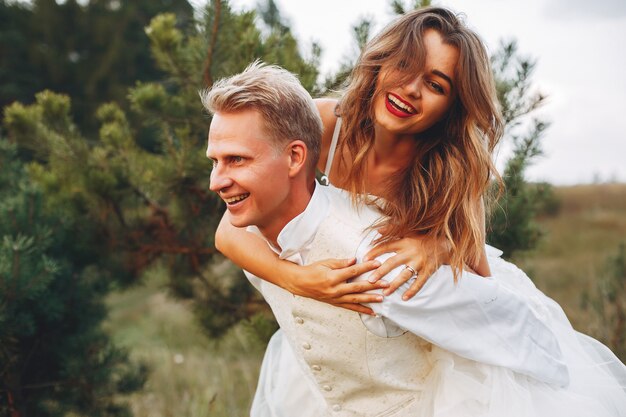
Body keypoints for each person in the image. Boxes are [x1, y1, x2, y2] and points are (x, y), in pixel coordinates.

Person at [209, 6, 626, 416]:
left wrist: (438, 246)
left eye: (436, 84)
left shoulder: (451, 168)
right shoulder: (327, 124)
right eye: (405, 66)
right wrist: (300, 280)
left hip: (434, 338)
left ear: (452, 106)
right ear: (380, 63)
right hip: (348, 333)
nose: (411, 89)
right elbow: (229, 230)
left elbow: (478, 269)